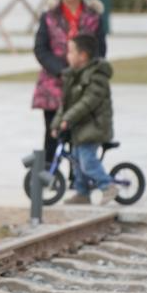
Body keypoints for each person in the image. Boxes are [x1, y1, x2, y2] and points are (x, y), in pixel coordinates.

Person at [32, 0, 106, 165]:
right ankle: (49, 171)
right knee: (52, 129)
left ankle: (78, 174)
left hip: (83, 82)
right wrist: (60, 70)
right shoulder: (49, 16)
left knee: (80, 129)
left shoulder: (94, 17)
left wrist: (83, 71)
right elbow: (40, 48)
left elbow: (100, 49)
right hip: (53, 83)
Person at [51, 33, 117, 205]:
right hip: (80, 128)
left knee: (87, 162)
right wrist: (57, 123)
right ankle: (82, 193)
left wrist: (68, 119)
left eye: (71, 51)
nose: (67, 55)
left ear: (83, 56)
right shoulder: (73, 76)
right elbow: (65, 104)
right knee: (76, 161)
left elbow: (87, 103)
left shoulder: (97, 77)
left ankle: (107, 185)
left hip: (94, 127)